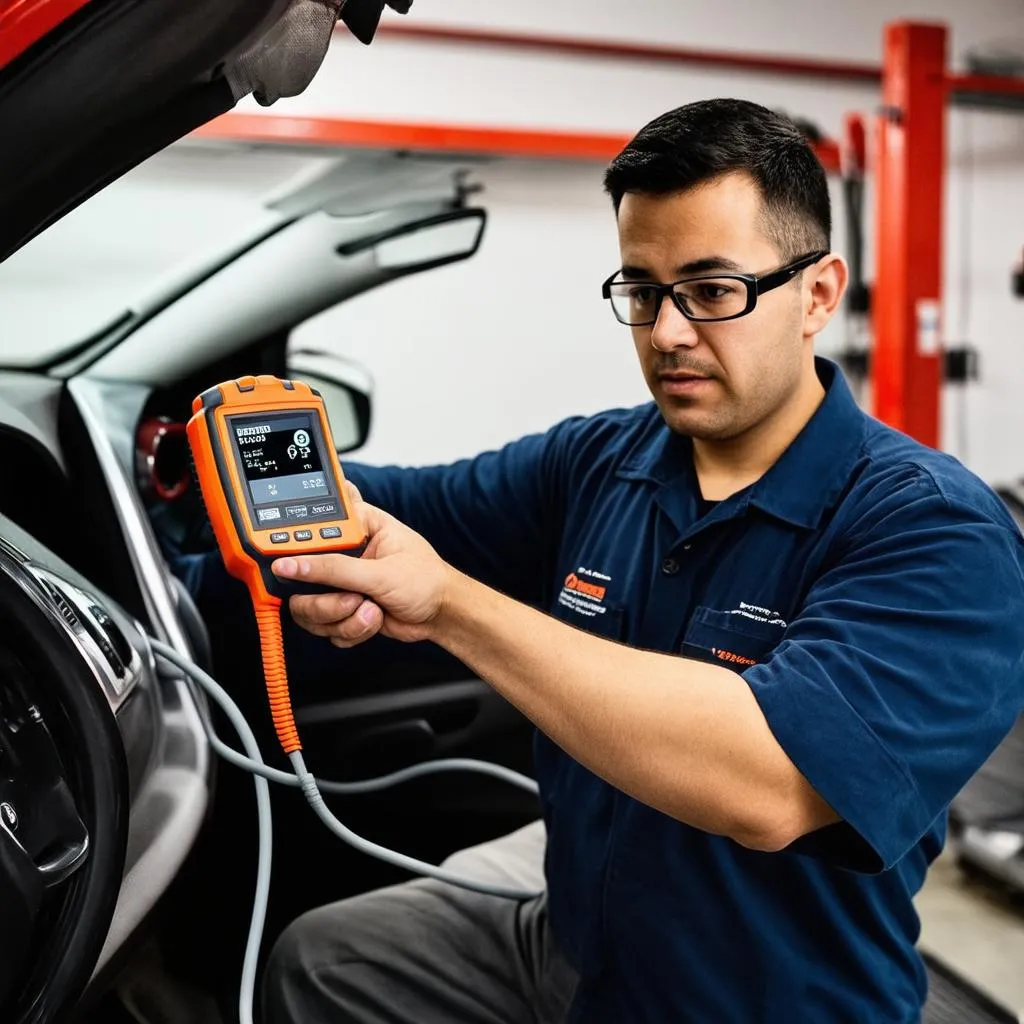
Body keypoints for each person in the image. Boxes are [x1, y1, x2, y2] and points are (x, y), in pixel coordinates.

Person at [256, 98, 1024, 1023]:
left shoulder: (934, 531)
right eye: (643, 290)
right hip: (574, 945)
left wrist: (451, 606)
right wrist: (200, 472)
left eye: (710, 291)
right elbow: (396, 507)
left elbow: (767, 783)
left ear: (819, 294)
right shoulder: (603, 461)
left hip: (760, 1001)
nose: (665, 333)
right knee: (327, 961)